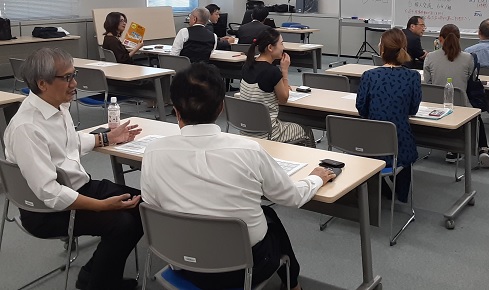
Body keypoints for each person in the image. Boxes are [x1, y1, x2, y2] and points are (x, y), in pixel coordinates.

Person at [141, 63, 334, 290]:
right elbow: (291, 198)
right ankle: (293, 285)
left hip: (180, 261)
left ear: (176, 110)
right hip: (243, 269)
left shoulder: (153, 152)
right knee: (271, 218)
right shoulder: (248, 150)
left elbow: (152, 204)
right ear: (221, 108)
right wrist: (316, 178)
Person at [3, 48, 144, 290]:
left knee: (141, 205)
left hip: (77, 187)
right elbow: (49, 193)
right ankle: (99, 284)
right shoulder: (27, 128)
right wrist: (101, 206)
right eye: (67, 77)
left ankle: (92, 274)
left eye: (73, 75)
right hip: (46, 212)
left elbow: (71, 143)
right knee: (122, 224)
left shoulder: (58, 106)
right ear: (42, 84)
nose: (75, 83)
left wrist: (108, 137)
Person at [356, 28, 421, 202]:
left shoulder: (369, 76)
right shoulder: (413, 77)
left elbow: (361, 109)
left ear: (382, 49)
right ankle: (401, 194)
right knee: (405, 153)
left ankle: (381, 187)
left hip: (369, 144)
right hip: (400, 145)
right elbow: (413, 110)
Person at [423, 24, 489, 168]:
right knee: (476, 116)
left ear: (440, 39)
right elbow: (469, 81)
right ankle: (483, 149)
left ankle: (451, 150)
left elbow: (428, 82)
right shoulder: (468, 58)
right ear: (459, 39)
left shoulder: (430, 57)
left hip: (435, 106)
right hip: (461, 105)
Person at [240, 28, 315, 147]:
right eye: (281, 43)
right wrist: (284, 71)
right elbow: (284, 99)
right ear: (270, 47)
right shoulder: (272, 71)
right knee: (306, 131)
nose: (283, 47)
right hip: (268, 133)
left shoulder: (247, 65)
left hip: (245, 130)